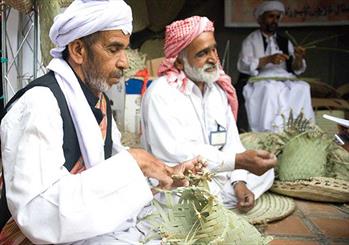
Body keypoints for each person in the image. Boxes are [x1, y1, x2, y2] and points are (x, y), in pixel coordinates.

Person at [0, 1, 202, 244]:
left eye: (124, 50)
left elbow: (112, 172)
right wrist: (134, 163)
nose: (124, 62)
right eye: (113, 49)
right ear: (78, 50)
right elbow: (38, 214)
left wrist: (166, 176)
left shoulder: (98, 101)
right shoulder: (40, 103)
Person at [141, 16, 277, 213]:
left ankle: (225, 197)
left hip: (217, 173)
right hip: (178, 177)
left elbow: (232, 143)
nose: (213, 58)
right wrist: (237, 161)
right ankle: (214, 203)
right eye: (202, 53)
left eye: (213, 49)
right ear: (179, 61)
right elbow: (176, 153)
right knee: (184, 192)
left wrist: (239, 182)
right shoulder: (161, 93)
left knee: (266, 172)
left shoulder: (217, 91)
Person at [237, 0, 315, 132]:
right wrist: (268, 59)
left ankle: (300, 130)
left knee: (303, 87)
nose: (274, 20)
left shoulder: (285, 41)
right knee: (270, 90)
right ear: (261, 18)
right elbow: (243, 65)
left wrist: (299, 57)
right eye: (271, 16)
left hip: (284, 78)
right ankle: (269, 132)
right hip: (261, 79)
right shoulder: (251, 40)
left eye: (277, 17)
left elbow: (296, 68)